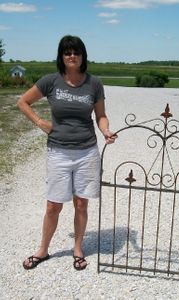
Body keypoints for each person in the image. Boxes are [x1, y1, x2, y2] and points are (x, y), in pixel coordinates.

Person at [18, 35, 117, 271]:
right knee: (53, 205)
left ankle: (78, 248)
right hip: (58, 152)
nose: (72, 56)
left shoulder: (94, 83)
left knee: (81, 203)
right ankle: (42, 250)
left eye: (76, 52)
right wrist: (41, 123)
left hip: (86, 152)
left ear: (83, 56)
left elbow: (100, 115)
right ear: (61, 57)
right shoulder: (51, 81)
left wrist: (105, 131)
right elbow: (23, 102)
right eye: (67, 52)